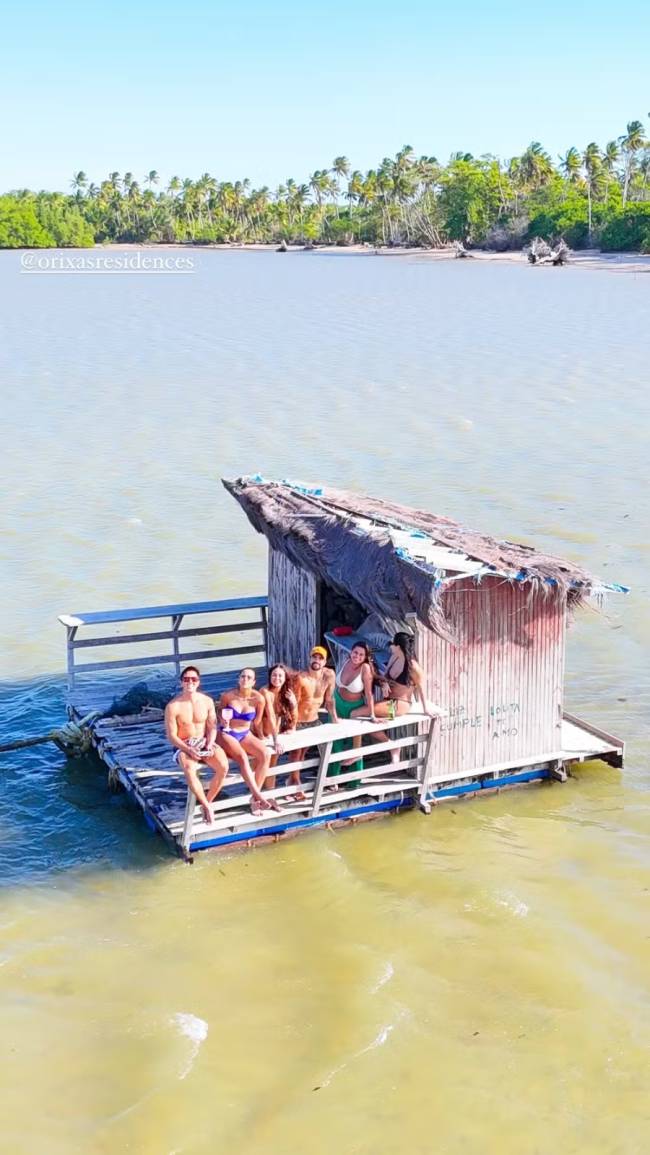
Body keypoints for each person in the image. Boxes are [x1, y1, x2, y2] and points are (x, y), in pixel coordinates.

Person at [164, 665, 231, 825]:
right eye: (186, 679)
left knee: (224, 766)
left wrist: (209, 743)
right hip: (184, 744)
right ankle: (207, 806)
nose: (190, 682)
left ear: (198, 682)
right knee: (189, 769)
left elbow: (212, 726)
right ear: (181, 682)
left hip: (204, 741)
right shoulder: (173, 706)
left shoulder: (207, 701)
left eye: (193, 679)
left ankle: (206, 803)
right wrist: (188, 749)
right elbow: (171, 736)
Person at [351, 631, 429, 763]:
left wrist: (425, 709)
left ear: (398, 646)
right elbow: (384, 677)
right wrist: (384, 683)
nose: (390, 647)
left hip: (399, 704)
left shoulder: (412, 666)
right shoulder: (394, 657)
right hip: (388, 701)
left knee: (355, 714)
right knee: (366, 719)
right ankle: (387, 747)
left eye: (393, 644)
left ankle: (382, 748)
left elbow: (421, 686)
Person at [217, 668, 282, 814]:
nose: (245, 679)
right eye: (242, 676)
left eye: (249, 677)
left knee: (265, 754)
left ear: (254, 681)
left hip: (245, 733)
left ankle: (254, 798)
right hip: (227, 733)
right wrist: (224, 722)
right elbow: (220, 713)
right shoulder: (228, 696)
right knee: (242, 757)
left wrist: (271, 738)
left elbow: (258, 721)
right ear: (238, 679)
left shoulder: (258, 698)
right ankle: (258, 797)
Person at [330, 641, 376, 783]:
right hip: (337, 704)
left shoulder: (365, 669)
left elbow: (368, 693)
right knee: (334, 743)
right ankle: (333, 780)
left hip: (353, 707)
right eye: (355, 652)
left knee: (354, 744)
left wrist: (372, 714)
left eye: (361, 654)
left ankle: (354, 781)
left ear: (365, 657)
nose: (357, 656)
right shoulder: (345, 661)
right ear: (351, 652)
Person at [291, 646, 338, 785]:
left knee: (327, 747)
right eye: (314, 657)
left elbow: (329, 700)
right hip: (299, 721)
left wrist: (335, 719)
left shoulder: (329, 676)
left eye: (320, 658)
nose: (316, 660)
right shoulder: (301, 678)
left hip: (314, 720)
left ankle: (328, 780)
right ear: (310, 658)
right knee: (298, 754)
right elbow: (293, 704)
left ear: (324, 662)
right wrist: (292, 726)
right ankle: (294, 782)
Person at [259, 664, 299, 794]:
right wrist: (275, 740)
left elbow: (294, 717)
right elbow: (270, 715)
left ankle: (270, 795)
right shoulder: (265, 692)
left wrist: (293, 703)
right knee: (260, 768)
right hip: (262, 735)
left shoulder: (285, 692)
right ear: (270, 677)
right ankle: (257, 796)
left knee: (272, 767)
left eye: (280, 675)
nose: (277, 678)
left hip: (276, 733)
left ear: (285, 677)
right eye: (274, 675)